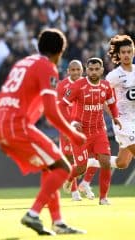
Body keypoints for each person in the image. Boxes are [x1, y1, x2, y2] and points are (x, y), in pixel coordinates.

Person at [0, 28, 86, 235]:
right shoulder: (47, 67)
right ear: (60, 51)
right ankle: (33, 214)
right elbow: (52, 112)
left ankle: (58, 222)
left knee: (50, 168)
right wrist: (73, 134)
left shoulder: (23, 63)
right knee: (63, 168)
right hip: (17, 126)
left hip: (2, 122)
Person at [59, 58, 121, 205]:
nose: (93, 72)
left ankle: (103, 198)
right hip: (81, 133)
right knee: (80, 167)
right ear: (86, 70)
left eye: (96, 69)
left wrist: (116, 117)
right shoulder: (78, 86)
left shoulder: (106, 86)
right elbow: (62, 106)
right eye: (91, 69)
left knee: (105, 162)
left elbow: (112, 105)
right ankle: (69, 179)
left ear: (101, 70)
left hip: (99, 130)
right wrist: (71, 124)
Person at [79, 34, 135, 197]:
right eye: (123, 52)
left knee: (122, 163)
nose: (126, 54)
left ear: (133, 52)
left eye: (129, 51)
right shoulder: (114, 75)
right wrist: (113, 114)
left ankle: (91, 162)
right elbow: (100, 95)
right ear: (118, 55)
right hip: (123, 122)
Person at [56, 60, 84, 201]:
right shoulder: (62, 86)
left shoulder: (87, 84)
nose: (75, 72)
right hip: (68, 127)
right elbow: (59, 108)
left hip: (85, 127)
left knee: (86, 160)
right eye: (72, 70)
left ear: (82, 70)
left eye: (77, 69)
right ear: (68, 71)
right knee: (69, 158)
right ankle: (74, 192)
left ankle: (85, 185)